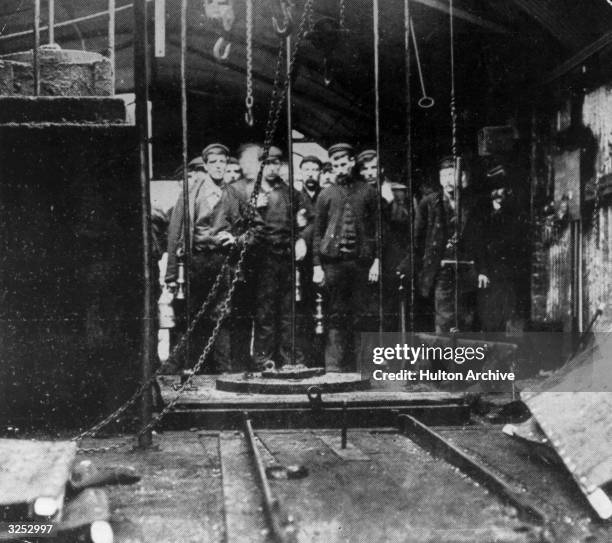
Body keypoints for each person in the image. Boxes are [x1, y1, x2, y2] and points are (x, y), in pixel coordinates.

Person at [164, 143, 248, 373]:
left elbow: (250, 228)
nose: (219, 167)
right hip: (196, 262)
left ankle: (223, 369)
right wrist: (171, 274)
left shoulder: (234, 194)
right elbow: (174, 233)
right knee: (192, 314)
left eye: (223, 162)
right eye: (214, 163)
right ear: (206, 165)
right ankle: (189, 368)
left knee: (221, 315)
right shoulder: (190, 193)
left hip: (222, 262)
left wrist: (236, 239)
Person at [313, 143, 380, 372]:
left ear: (352, 162)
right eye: (335, 165)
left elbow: (379, 230)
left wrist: (377, 261)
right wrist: (317, 266)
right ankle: (333, 367)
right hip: (334, 265)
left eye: (344, 164)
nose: (340, 169)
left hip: (361, 264)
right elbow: (317, 233)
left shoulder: (368, 192)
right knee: (336, 314)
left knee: (363, 314)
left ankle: (365, 367)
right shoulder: (326, 194)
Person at [415, 156, 489, 334]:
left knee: (467, 317)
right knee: (444, 317)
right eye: (444, 176)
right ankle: (442, 359)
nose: (448, 181)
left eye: (453, 175)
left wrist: (483, 270)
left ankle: (464, 360)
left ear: (463, 177)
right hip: (440, 269)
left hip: (468, 268)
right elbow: (418, 238)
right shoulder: (429, 203)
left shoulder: (475, 204)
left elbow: (482, 240)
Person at [252, 146, 306, 368]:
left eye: (276, 163)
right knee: (265, 312)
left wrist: (300, 238)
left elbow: (303, 222)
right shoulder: (252, 192)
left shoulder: (290, 193)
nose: (272, 167)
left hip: (286, 258)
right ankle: (264, 360)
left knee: (287, 311)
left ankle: (289, 359)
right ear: (261, 165)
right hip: (264, 259)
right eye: (268, 163)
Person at [356, 149, 411, 332]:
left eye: (374, 167)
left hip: (390, 256)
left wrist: (391, 202)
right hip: (365, 254)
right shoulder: (358, 192)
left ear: (381, 169)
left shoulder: (397, 192)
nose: (370, 172)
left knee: (389, 309)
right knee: (367, 308)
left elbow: (404, 223)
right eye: (366, 168)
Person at [478, 166, 527, 332]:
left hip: (508, 274)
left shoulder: (514, 214)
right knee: (489, 318)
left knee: (509, 317)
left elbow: (518, 243)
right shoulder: (482, 214)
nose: (499, 193)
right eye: (495, 189)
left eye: (502, 189)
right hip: (489, 275)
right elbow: (478, 244)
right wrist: (483, 270)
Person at [296, 155, 324, 366]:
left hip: (322, 261)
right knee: (302, 308)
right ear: (301, 173)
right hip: (301, 264)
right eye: (307, 169)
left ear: (320, 173)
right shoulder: (295, 197)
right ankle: (304, 357)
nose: (311, 173)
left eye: (315, 169)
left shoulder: (326, 195)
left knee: (324, 308)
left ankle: (322, 357)